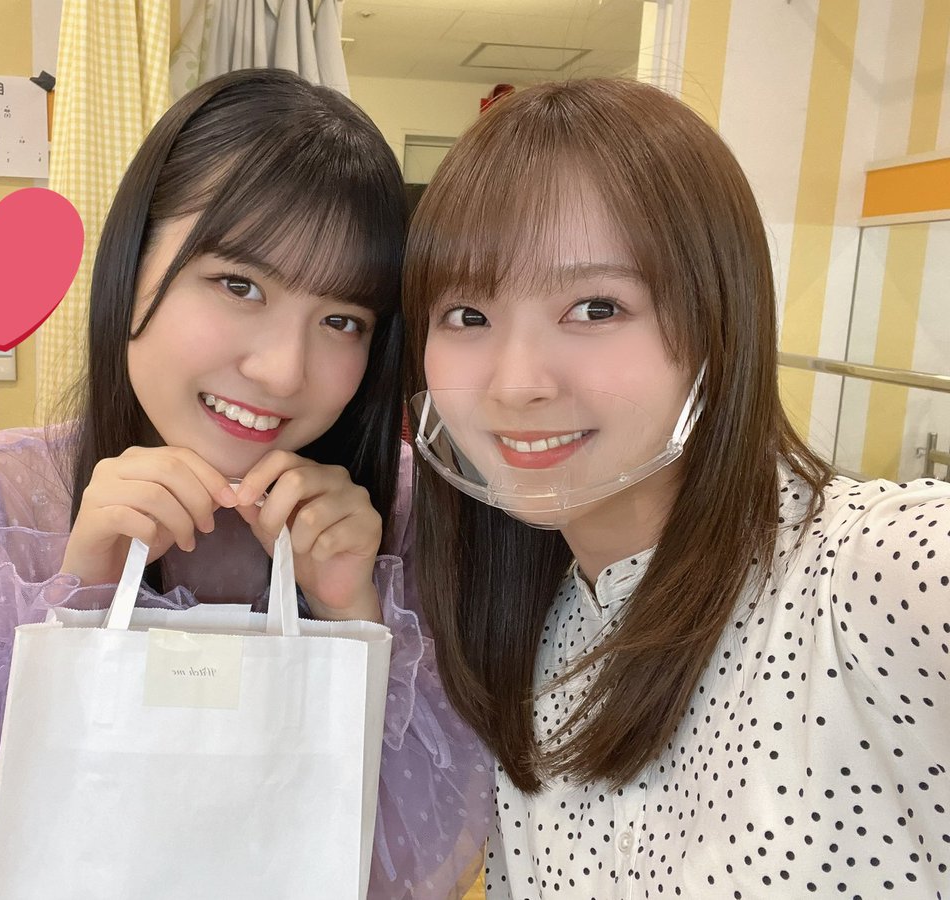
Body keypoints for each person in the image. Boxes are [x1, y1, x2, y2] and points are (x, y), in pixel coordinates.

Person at [0, 68, 491, 900]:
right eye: (239, 285)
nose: (282, 371)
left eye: (341, 320)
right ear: (131, 263)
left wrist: (354, 617)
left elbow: (420, 857)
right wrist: (83, 595)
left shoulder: (405, 507)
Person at [402, 77, 950, 898]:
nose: (515, 386)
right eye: (468, 317)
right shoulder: (527, 624)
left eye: (595, 307)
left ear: (716, 321)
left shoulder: (864, 574)